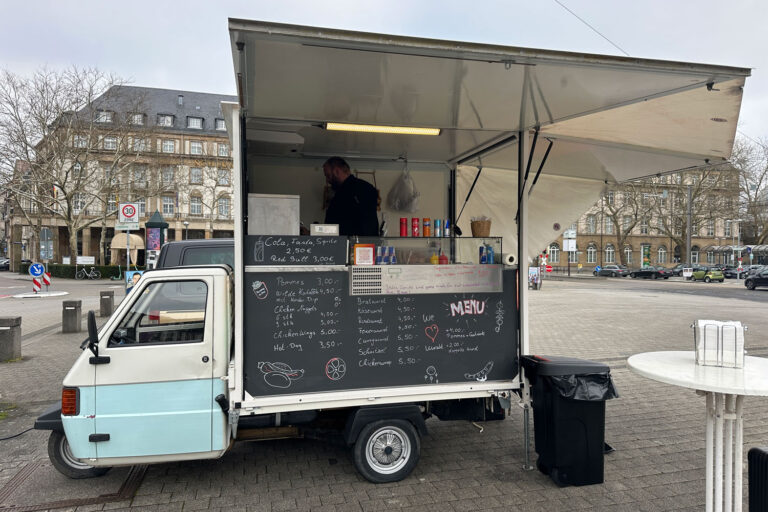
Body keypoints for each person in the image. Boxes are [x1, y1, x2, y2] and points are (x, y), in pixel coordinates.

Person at [323, 156, 379, 236]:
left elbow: (343, 225)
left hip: (353, 244)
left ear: (336, 171)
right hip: (361, 244)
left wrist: (316, 233)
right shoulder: (365, 187)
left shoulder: (347, 193)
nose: (328, 180)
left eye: (328, 175)